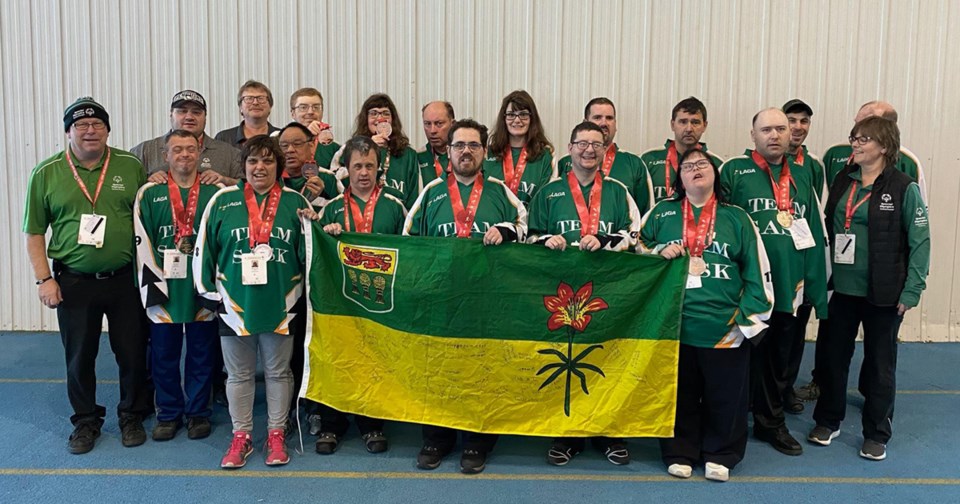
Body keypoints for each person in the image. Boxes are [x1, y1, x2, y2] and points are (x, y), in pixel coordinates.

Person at [23, 97, 152, 454]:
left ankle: (132, 415)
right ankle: (85, 420)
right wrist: (43, 279)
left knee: (132, 351)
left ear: (108, 130)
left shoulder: (129, 166)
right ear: (68, 132)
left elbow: (145, 217)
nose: (90, 130)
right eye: (81, 125)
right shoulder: (46, 172)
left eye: (97, 124)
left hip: (125, 278)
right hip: (74, 281)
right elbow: (34, 232)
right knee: (80, 355)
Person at [638, 148, 774, 482]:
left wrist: (746, 322)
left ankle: (721, 452)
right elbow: (635, 250)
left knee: (725, 395)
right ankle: (679, 450)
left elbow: (758, 270)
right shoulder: (661, 213)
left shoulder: (737, 217)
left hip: (724, 326)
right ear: (679, 178)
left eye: (702, 164)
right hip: (675, 323)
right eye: (688, 166)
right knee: (679, 392)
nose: (695, 170)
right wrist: (657, 251)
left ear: (715, 172)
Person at [403, 119, 526, 474]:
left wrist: (507, 229)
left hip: (487, 300)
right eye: (460, 145)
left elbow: (526, 226)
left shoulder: (501, 191)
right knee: (438, 370)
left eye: (474, 145)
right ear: (449, 151)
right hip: (440, 300)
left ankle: (476, 441)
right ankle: (436, 438)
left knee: (481, 371)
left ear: (484, 152)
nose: (466, 151)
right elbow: (408, 238)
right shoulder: (431, 192)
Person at [809, 116, 930, 461]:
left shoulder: (903, 187)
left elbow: (921, 241)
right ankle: (828, 420)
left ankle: (876, 432)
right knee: (833, 359)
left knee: (880, 365)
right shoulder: (842, 181)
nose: (856, 144)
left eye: (864, 139)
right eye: (854, 138)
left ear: (885, 146)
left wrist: (912, 291)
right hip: (840, 290)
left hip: (884, 293)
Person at [194, 135, 313, 469]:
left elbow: (308, 255)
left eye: (267, 161)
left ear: (278, 166)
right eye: (253, 161)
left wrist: (314, 226)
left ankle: (276, 432)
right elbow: (204, 249)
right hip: (233, 303)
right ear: (243, 166)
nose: (260, 168)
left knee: (277, 372)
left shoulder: (295, 202)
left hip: (281, 303)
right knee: (239, 375)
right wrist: (207, 292)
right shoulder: (222, 201)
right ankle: (241, 435)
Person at [527, 121, 641, 467]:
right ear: (570, 147)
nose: (589, 149)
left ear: (606, 149)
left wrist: (608, 241)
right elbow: (528, 237)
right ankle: (568, 433)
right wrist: (546, 241)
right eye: (582, 143)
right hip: (561, 296)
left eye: (597, 143)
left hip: (609, 294)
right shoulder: (549, 192)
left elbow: (637, 237)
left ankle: (609, 431)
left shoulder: (620, 191)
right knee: (566, 362)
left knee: (607, 360)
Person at [718, 108, 828, 457]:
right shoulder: (734, 171)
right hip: (745, 287)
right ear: (753, 135)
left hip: (787, 284)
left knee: (779, 359)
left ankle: (771, 422)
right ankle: (733, 419)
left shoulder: (802, 175)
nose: (775, 135)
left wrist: (813, 286)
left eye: (781, 128)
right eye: (766, 129)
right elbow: (717, 223)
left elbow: (811, 232)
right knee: (739, 355)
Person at [313, 135, 408, 455]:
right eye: (357, 166)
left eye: (370, 165)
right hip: (341, 302)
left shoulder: (395, 207)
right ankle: (332, 424)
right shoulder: (332, 209)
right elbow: (316, 257)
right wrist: (327, 236)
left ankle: (371, 425)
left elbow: (409, 252)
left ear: (379, 168)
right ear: (346, 169)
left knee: (374, 362)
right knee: (337, 360)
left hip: (381, 302)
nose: (364, 172)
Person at [133, 130, 221, 441]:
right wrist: (152, 286)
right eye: (177, 150)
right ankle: (168, 413)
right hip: (164, 288)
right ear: (165, 156)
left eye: (190, 149)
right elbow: (141, 242)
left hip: (202, 288)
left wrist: (214, 285)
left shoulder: (215, 193)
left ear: (199, 153)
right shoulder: (149, 193)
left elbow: (221, 242)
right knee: (164, 355)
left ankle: (198, 412)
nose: (184, 155)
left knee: (201, 353)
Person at [780, 98, 827, 415]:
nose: (797, 127)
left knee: (795, 333)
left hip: (800, 260)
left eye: (803, 121)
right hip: (771, 263)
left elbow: (812, 215)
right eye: (791, 121)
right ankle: (757, 391)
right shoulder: (759, 163)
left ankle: (785, 391)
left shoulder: (814, 167)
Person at [559, 97, 654, 212]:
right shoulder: (564, 163)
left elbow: (646, 213)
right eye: (597, 117)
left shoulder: (634, 163)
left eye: (609, 118)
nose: (604, 123)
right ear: (585, 123)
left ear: (615, 124)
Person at [131, 90, 243, 185]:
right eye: (182, 111)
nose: (189, 117)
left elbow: (250, 189)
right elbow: (127, 189)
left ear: (205, 118)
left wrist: (225, 180)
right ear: (171, 115)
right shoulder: (144, 151)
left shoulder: (230, 153)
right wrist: (148, 182)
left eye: (196, 112)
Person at [333, 93, 421, 209]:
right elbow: (335, 181)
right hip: (358, 216)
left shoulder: (408, 155)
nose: (380, 119)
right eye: (374, 113)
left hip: (397, 220)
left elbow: (415, 197)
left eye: (385, 114)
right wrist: (367, 147)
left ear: (393, 120)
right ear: (366, 119)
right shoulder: (351, 148)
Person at [640, 97, 724, 203]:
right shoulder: (648, 159)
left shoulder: (717, 164)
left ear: (704, 126)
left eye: (695, 122)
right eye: (683, 122)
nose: (689, 129)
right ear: (672, 124)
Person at [482, 90, 556, 207]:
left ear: (532, 118)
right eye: (511, 115)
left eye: (523, 115)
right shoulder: (488, 154)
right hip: (495, 224)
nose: (517, 120)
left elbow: (546, 199)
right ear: (504, 119)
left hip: (531, 223)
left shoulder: (545, 156)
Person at [215, 80, 281, 148]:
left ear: (270, 106)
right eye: (249, 98)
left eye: (261, 98)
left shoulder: (282, 137)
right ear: (240, 107)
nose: (255, 103)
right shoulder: (224, 138)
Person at [289, 87, 341, 170]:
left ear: (322, 112)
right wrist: (305, 135)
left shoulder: (334, 147)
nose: (310, 112)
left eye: (316, 107)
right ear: (293, 113)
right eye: (303, 107)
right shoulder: (279, 141)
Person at [417, 101, 455, 188]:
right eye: (427, 124)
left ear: (452, 124)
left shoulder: (465, 155)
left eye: (439, 123)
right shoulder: (417, 157)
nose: (432, 130)